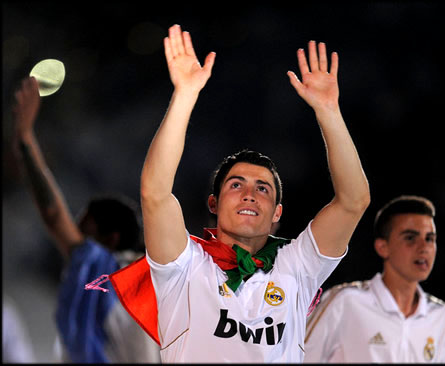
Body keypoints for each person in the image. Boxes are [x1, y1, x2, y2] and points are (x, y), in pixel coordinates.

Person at [122, 23, 370, 363]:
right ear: (214, 203)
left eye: (263, 189)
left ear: (277, 213)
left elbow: (354, 201)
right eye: (236, 185)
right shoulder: (184, 268)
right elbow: (155, 193)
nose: (249, 194)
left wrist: (328, 110)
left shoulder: (297, 267)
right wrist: (185, 95)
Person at [11, 77, 160, 363]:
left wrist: (26, 139)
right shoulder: (146, 281)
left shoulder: (103, 270)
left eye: (86, 223)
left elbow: (53, 214)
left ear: (110, 238)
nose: (76, 227)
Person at [304, 195, 445, 363]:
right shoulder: (345, 302)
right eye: (410, 238)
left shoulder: (442, 317)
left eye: (430, 239)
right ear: (382, 247)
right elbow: (300, 357)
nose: (424, 248)